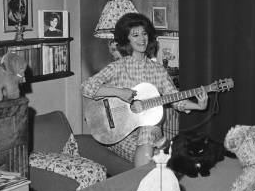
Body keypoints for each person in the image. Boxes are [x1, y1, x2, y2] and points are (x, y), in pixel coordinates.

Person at [81, 13, 208, 167]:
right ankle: (156, 159)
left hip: (149, 132)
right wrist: (118, 92)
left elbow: (175, 98)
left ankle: (145, 178)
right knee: (154, 158)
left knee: (149, 131)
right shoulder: (117, 67)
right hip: (119, 134)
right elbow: (86, 87)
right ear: (127, 39)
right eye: (135, 35)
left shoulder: (158, 70)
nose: (142, 39)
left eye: (144, 33)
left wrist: (198, 106)